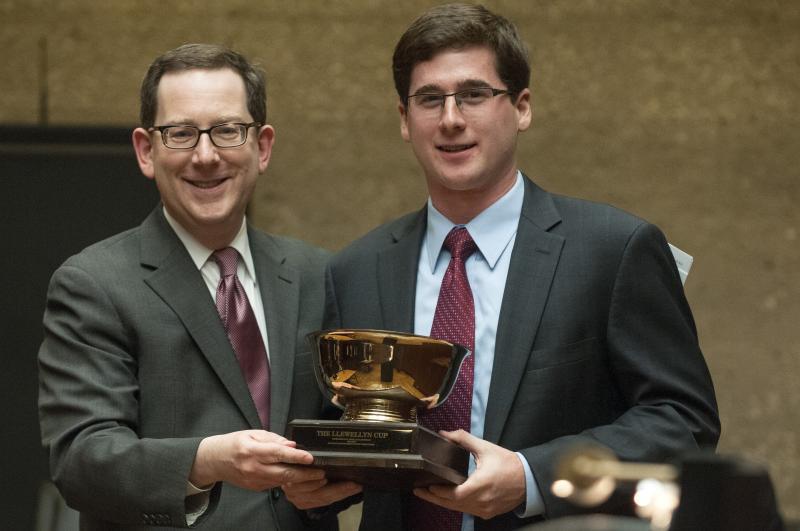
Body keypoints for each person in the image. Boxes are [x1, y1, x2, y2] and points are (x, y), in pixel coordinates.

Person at [285, 4, 720, 530]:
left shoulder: (612, 249)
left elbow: (684, 422)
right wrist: (312, 485)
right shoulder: (357, 268)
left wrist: (532, 475)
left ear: (522, 107)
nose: (450, 119)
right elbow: (350, 436)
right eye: (429, 99)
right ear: (404, 119)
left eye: (473, 94)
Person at [37, 43, 360, 530]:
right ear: (147, 151)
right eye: (181, 134)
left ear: (263, 146)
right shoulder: (94, 284)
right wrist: (206, 461)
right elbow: (82, 461)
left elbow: (341, 441)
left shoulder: (318, 274)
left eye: (228, 131)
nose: (206, 156)